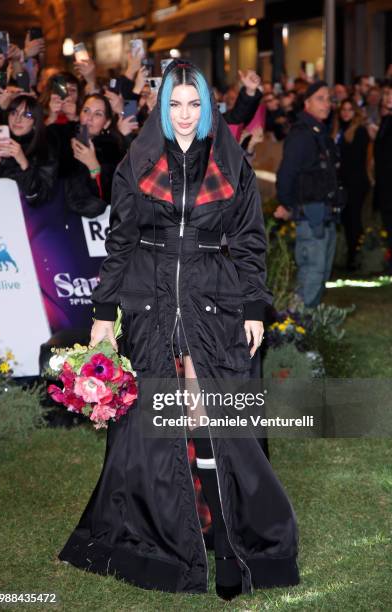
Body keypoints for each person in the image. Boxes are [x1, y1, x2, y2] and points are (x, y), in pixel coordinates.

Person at [57, 59, 300, 600]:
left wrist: (256, 307)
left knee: (211, 412)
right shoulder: (137, 161)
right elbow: (119, 242)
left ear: (207, 107)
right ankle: (161, 541)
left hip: (213, 299)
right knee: (151, 425)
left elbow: (251, 243)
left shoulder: (229, 160)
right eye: (175, 104)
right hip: (151, 299)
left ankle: (231, 541)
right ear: (162, 108)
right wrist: (102, 314)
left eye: (194, 105)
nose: (185, 116)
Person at [275, 81, 343, 307]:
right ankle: (293, 330)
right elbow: (286, 174)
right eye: (320, 98)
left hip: (325, 213)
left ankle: (305, 328)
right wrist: (287, 205)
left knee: (321, 273)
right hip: (310, 214)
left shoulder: (320, 132)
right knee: (312, 273)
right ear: (307, 103)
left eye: (329, 99)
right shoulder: (302, 135)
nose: (327, 104)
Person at [47, 94, 128, 217]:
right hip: (54, 212)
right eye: (86, 111)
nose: (89, 118)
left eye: (98, 114)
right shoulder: (59, 134)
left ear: (106, 123)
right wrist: (52, 116)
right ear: (79, 114)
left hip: (90, 221)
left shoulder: (113, 150)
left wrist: (93, 165)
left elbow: (108, 197)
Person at [0, 94, 57, 206]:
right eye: (14, 113)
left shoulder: (45, 150)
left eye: (26, 115)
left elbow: (41, 197)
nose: (18, 119)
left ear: (35, 123)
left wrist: (24, 163)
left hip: (24, 218)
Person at [332, 98, 370, 269]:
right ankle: (350, 255)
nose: (346, 112)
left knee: (354, 220)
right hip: (344, 182)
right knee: (347, 220)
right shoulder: (340, 130)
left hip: (355, 183)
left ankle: (355, 257)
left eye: (350, 109)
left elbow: (356, 160)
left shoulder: (359, 131)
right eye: (343, 109)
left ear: (355, 112)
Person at [374, 80, 392, 271]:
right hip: (385, 183)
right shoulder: (386, 120)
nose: (387, 98)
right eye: (385, 95)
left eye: (390, 94)